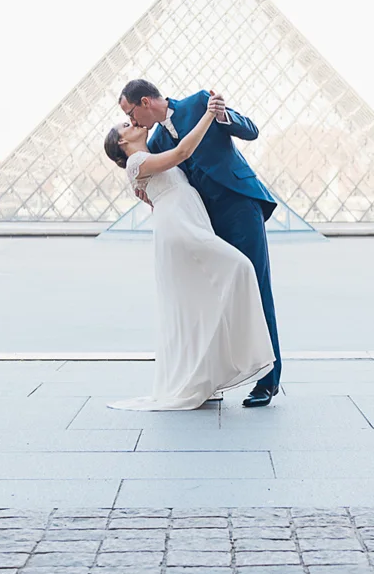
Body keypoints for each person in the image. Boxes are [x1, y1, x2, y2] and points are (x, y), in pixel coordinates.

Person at [103, 91, 274, 410]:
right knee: (208, 294)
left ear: (144, 103)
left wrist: (219, 114)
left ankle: (267, 379)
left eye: (130, 114)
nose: (131, 122)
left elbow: (250, 130)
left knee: (254, 281)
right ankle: (208, 375)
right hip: (194, 223)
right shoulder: (151, 148)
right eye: (126, 123)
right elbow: (176, 159)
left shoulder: (198, 102)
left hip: (236, 203)